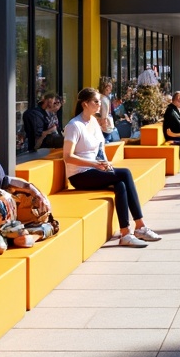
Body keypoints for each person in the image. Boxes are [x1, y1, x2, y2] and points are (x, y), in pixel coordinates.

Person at [63, 87, 162, 247]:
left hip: (95, 170)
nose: (99, 105)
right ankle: (140, 226)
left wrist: (106, 163)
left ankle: (125, 233)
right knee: (125, 173)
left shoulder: (93, 122)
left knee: (120, 184)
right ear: (85, 104)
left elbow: (100, 148)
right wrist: (95, 164)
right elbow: (67, 157)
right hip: (80, 175)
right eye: (96, 102)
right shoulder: (74, 126)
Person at [97, 79, 120, 143]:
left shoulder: (99, 98)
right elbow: (105, 113)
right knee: (106, 142)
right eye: (109, 89)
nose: (110, 91)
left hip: (101, 124)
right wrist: (104, 123)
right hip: (106, 125)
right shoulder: (104, 99)